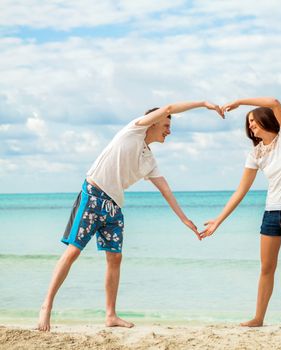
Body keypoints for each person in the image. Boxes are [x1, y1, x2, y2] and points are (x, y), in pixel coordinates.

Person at [37, 101, 224, 331]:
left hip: (114, 207)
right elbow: (168, 108)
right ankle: (46, 306)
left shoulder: (149, 160)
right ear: (153, 122)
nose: (169, 130)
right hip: (93, 196)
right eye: (166, 125)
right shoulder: (133, 131)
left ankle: (110, 315)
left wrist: (184, 220)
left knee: (115, 258)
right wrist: (204, 104)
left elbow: (165, 189)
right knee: (74, 251)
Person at [200, 97, 281, 328]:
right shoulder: (256, 154)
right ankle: (259, 318)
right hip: (271, 213)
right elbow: (241, 191)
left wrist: (240, 102)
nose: (250, 125)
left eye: (253, 120)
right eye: (248, 122)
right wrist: (218, 221)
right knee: (266, 268)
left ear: (265, 120)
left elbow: (274, 102)